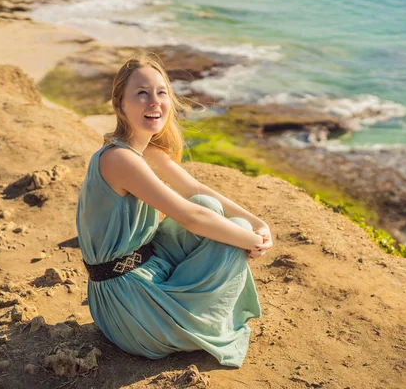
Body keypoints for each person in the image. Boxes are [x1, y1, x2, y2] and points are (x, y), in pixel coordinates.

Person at [76, 54, 274, 368]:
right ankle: (190, 320)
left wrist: (256, 223)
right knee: (226, 235)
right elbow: (189, 217)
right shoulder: (119, 159)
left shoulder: (144, 150)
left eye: (161, 92)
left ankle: (189, 303)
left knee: (213, 210)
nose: (153, 101)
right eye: (141, 93)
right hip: (127, 304)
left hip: (145, 267)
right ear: (119, 105)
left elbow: (195, 191)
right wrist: (249, 241)